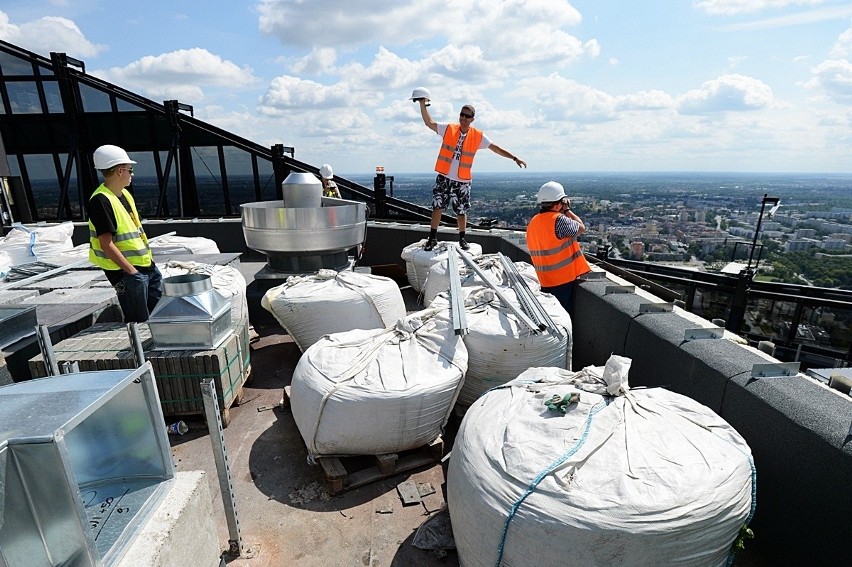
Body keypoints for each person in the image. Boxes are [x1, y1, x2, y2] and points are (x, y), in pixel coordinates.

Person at [416, 96, 526, 251]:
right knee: (437, 207)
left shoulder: (478, 136)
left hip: (462, 180)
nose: (463, 118)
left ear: (472, 119)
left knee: (461, 211)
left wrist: (514, 158)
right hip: (444, 176)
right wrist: (423, 104)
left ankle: (462, 239)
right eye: (462, 114)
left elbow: (495, 148)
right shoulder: (449, 129)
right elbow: (429, 123)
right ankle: (432, 238)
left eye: (467, 116)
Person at [88, 144, 162, 322]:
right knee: (139, 323)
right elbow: (106, 244)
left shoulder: (124, 195)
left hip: (146, 267)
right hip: (128, 274)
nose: (132, 174)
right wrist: (132, 272)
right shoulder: (100, 201)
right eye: (130, 170)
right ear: (120, 171)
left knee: (161, 317)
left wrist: (148, 265)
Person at [525, 181, 591, 314]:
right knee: (562, 318)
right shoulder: (558, 220)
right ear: (557, 204)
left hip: (543, 280)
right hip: (562, 281)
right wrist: (567, 210)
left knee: (550, 317)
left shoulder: (534, 221)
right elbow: (581, 228)